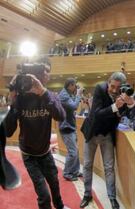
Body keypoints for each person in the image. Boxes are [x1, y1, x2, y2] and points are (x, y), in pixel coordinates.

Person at [5, 63, 69, 209]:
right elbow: (8, 131)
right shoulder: (21, 99)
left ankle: (59, 206)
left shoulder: (49, 95)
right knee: (44, 194)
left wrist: (43, 92)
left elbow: (60, 116)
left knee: (54, 182)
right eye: (44, 71)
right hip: (29, 155)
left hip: (45, 151)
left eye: (47, 71)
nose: (47, 74)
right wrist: (13, 100)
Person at [79, 72, 134, 209]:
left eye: (118, 87)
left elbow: (128, 115)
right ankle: (87, 194)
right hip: (92, 132)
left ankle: (112, 198)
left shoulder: (123, 93)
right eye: (112, 86)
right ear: (108, 82)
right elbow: (97, 114)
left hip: (107, 134)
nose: (114, 90)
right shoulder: (99, 88)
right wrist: (115, 106)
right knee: (87, 165)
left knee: (109, 168)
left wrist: (129, 103)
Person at [58, 78, 83, 181]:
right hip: (66, 127)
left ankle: (75, 171)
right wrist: (78, 95)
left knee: (75, 151)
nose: (75, 88)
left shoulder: (69, 93)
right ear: (69, 85)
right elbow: (74, 106)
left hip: (71, 126)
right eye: (74, 86)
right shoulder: (63, 95)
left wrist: (76, 95)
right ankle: (67, 172)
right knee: (72, 152)